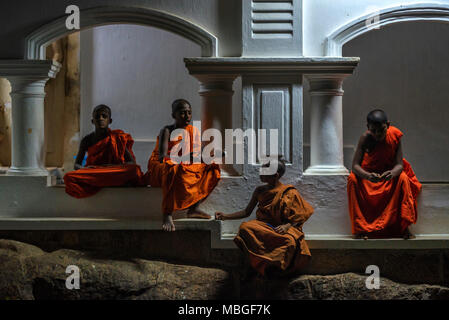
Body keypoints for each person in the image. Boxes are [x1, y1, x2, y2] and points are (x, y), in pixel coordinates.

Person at [215, 157, 314, 278]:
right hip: (263, 225)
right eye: (261, 171)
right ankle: (259, 265)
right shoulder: (259, 190)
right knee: (245, 228)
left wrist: (286, 226)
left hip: (281, 228)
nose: (261, 174)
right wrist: (225, 216)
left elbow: (300, 216)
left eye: (265, 172)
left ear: (276, 175)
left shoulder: (289, 192)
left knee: (290, 242)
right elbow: (246, 212)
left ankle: (274, 270)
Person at [146, 99, 220, 232]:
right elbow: (162, 157)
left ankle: (194, 208)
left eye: (189, 113)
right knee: (173, 168)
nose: (187, 116)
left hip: (184, 162)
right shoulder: (167, 130)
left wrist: (209, 155)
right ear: (173, 115)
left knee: (212, 167)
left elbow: (197, 155)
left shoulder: (193, 131)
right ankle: (167, 213)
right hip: (163, 165)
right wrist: (185, 157)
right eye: (182, 113)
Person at [347, 109, 422, 239]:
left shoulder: (395, 135)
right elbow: (355, 166)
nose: (377, 134)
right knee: (352, 179)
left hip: (388, 177)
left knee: (403, 178)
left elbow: (399, 165)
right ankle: (363, 229)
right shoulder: (365, 138)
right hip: (369, 179)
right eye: (373, 130)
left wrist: (392, 173)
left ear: (388, 124)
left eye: (381, 130)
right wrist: (368, 176)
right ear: (368, 127)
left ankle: (403, 227)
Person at [64, 104, 144, 198]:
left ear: (109, 121)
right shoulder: (87, 140)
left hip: (111, 171)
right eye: (97, 117)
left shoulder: (117, 137)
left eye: (104, 116)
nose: (100, 119)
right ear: (92, 121)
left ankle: (99, 183)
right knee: (68, 177)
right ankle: (111, 182)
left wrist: (111, 166)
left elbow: (131, 163)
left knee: (134, 170)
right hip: (95, 171)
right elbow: (76, 164)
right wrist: (87, 169)